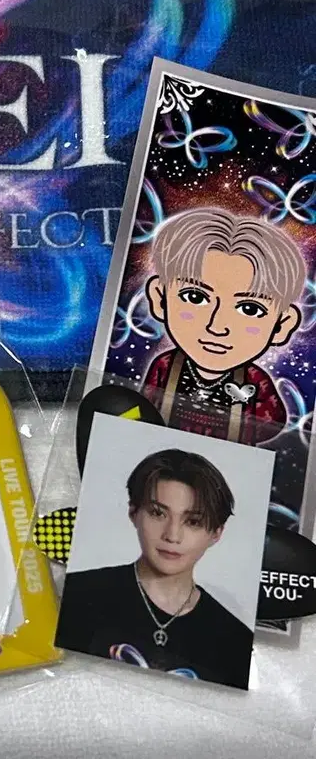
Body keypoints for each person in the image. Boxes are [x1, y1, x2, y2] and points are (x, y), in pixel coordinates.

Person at [55, 449, 254, 689]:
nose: (172, 535)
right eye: (158, 513)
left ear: (216, 533)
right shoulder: (76, 594)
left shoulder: (236, 640)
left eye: (193, 521)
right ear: (133, 513)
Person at [141, 207, 306, 444]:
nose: (217, 326)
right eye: (195, 297)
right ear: (160, 299)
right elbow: (143, 408)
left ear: (282, 325)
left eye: (249, 309)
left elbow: (271, 425)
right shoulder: (165, 367)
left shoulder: (256, 382)